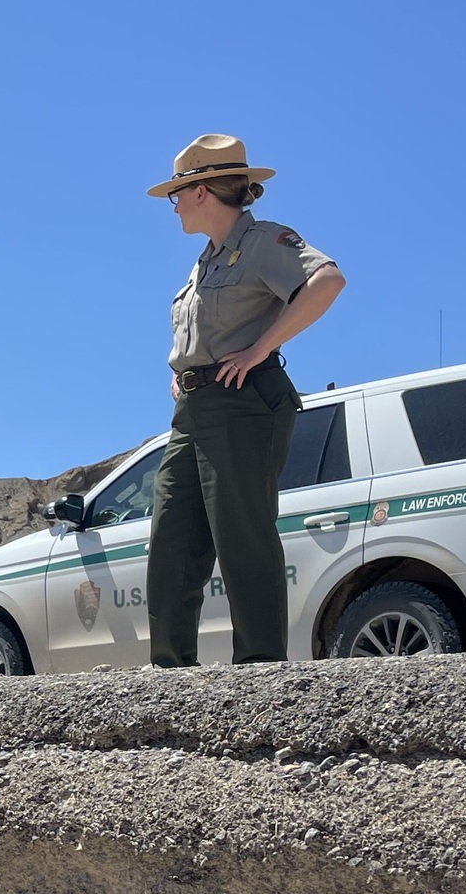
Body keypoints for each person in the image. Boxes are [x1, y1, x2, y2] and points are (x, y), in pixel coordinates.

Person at [145, 134, 345, 666]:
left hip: (243, 403)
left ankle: (259, 676)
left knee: (242, 540)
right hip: (192, 411)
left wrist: (261, 348)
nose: (175, 206)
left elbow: (326, 281)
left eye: (177, 195)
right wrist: (186, 369)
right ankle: (168, 676)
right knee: (170, 544)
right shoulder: (204, 261)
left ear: (203, 191)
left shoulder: (262, 242)